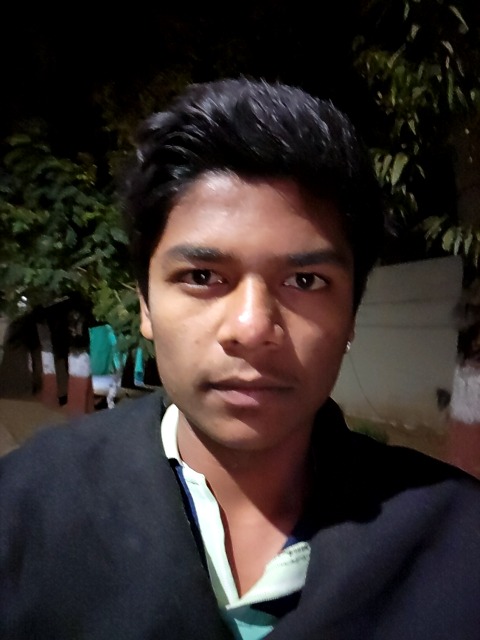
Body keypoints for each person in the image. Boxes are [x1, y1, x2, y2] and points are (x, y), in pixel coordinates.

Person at [1, 78, 479, 640]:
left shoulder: (458, 541)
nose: (252, 329)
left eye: (305, 280)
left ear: (351, 313)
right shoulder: (23, 506)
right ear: (146, 305)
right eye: (202, 276)